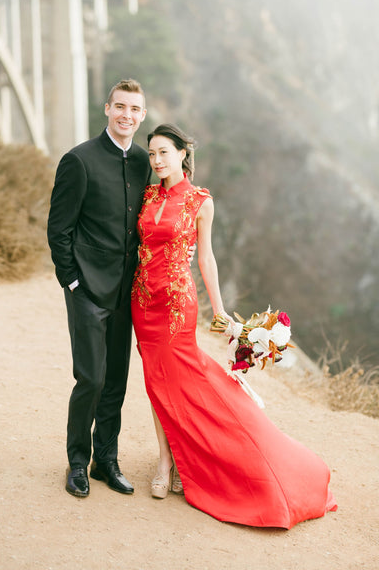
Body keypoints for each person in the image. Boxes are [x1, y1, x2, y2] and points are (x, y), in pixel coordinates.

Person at [131, 123, 337, 528]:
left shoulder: (199, 201)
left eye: (163, 153)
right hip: (142, 303)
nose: (156, 161)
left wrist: (221, 312)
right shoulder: (147, 193)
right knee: (155, 381)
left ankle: (191, 459)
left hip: (176, 306)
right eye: (151, 154)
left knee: (185, 380)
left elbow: (206, 258)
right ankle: (167, 459)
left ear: (181, 154)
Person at [47, 79, 150, 497]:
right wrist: (73, 282)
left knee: (117, 381)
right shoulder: (79, 160)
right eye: (120, 106)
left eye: (135, 109)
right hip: (87, 289)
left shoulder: (145, 161)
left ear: (142, 116)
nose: (127, 114)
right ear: (107, 108)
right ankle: (77, 463)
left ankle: (106, 460)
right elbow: (59, 230)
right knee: (90, 378)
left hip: (128, 292)